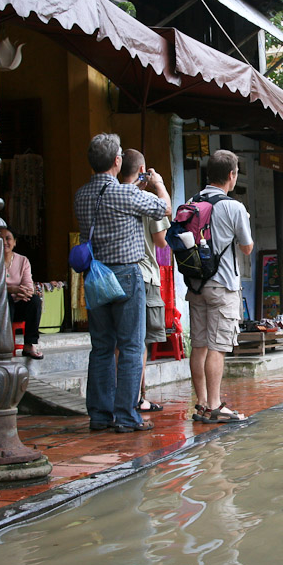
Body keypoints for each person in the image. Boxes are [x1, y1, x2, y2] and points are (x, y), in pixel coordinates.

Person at [74, 133, 170, 433]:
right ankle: (127, 416)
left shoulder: (81, 195)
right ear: (117, 161)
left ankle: (100, 416)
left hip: (95, 274)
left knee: (101, 347)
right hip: (126, 275)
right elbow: (164, 209)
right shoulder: (124, 194)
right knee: (130, 346)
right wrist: (158, 186)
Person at [186, 150, 253, 424]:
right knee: (217, 347)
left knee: (199, 344)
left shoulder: (191, 202)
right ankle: (215, 406)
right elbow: (247, 248)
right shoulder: (234, 207)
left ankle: (201, 403)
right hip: (222, 286)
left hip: (195, 285)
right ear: (231, 175)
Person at [119, 148, 168, 413]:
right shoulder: (146, 199)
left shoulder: (109, 195)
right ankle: (137, 397)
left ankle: (119, 396)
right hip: (144, 275)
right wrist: (158, 184)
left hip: (115, 275)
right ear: (142, 172)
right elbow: (161, 241)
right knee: (140, 342)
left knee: (118, 342)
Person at [1, 228, 43, 360]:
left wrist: (21, 292)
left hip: (19, 303)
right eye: (0, 239)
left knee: (35, 300)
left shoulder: (23, 260)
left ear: (14, 242)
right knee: (5, 298)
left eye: (8, 238)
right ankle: (4, 345)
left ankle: (29, 345)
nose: (4, 242)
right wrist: (13, 290)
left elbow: (28, 285)